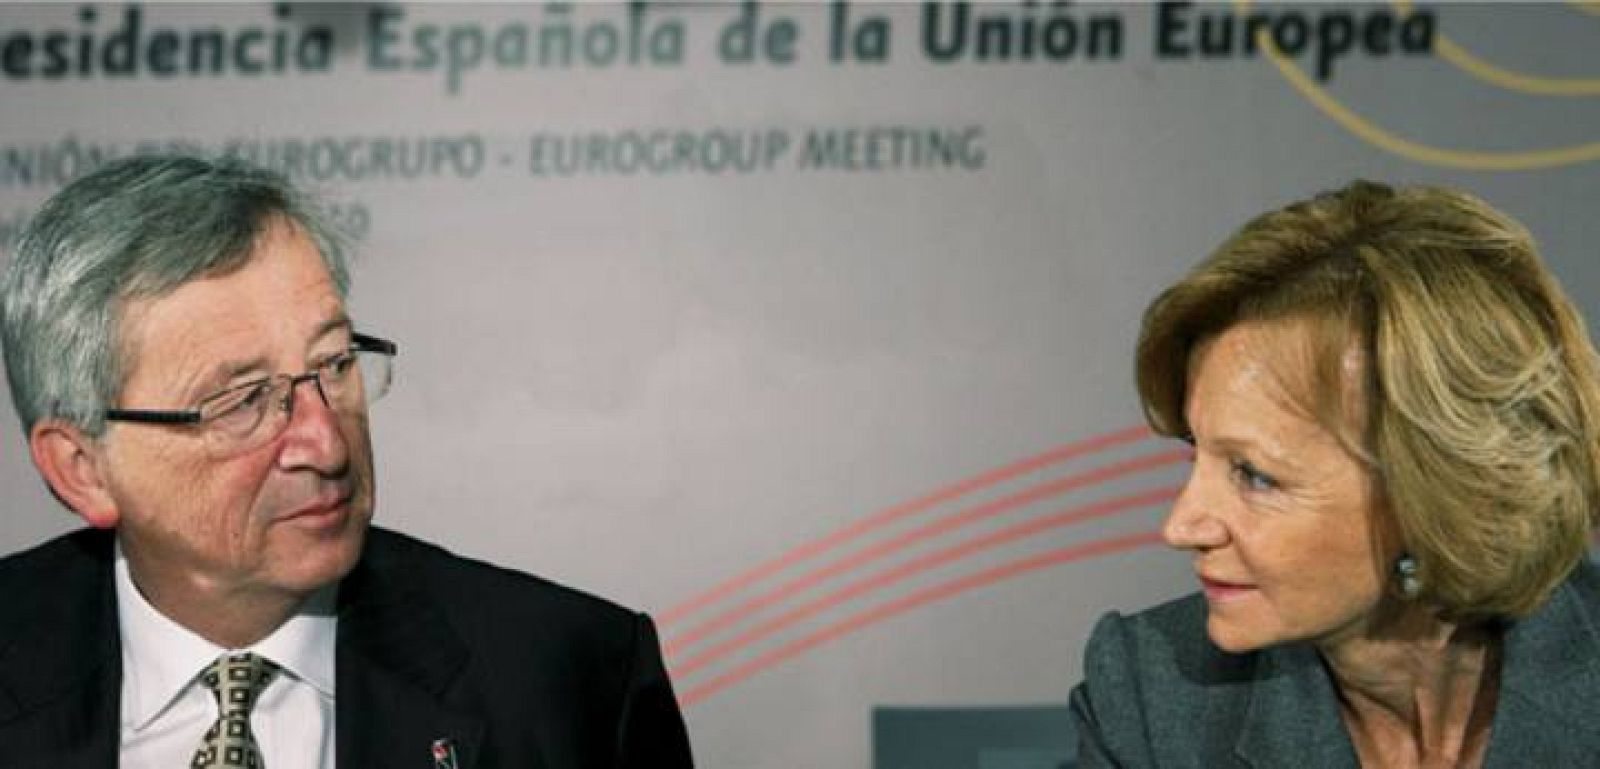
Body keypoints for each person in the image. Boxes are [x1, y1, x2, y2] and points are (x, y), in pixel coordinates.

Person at [0, 154, 694, 767]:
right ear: (82, 468)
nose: (326, 444)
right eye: (243, 401)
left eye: (334, 365)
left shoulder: (570, 680)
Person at [1069, 181, 1600, 767]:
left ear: (1440, 492)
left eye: (1254, 475)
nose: (1181, 526)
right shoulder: (1152, 692)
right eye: (1196, 453)